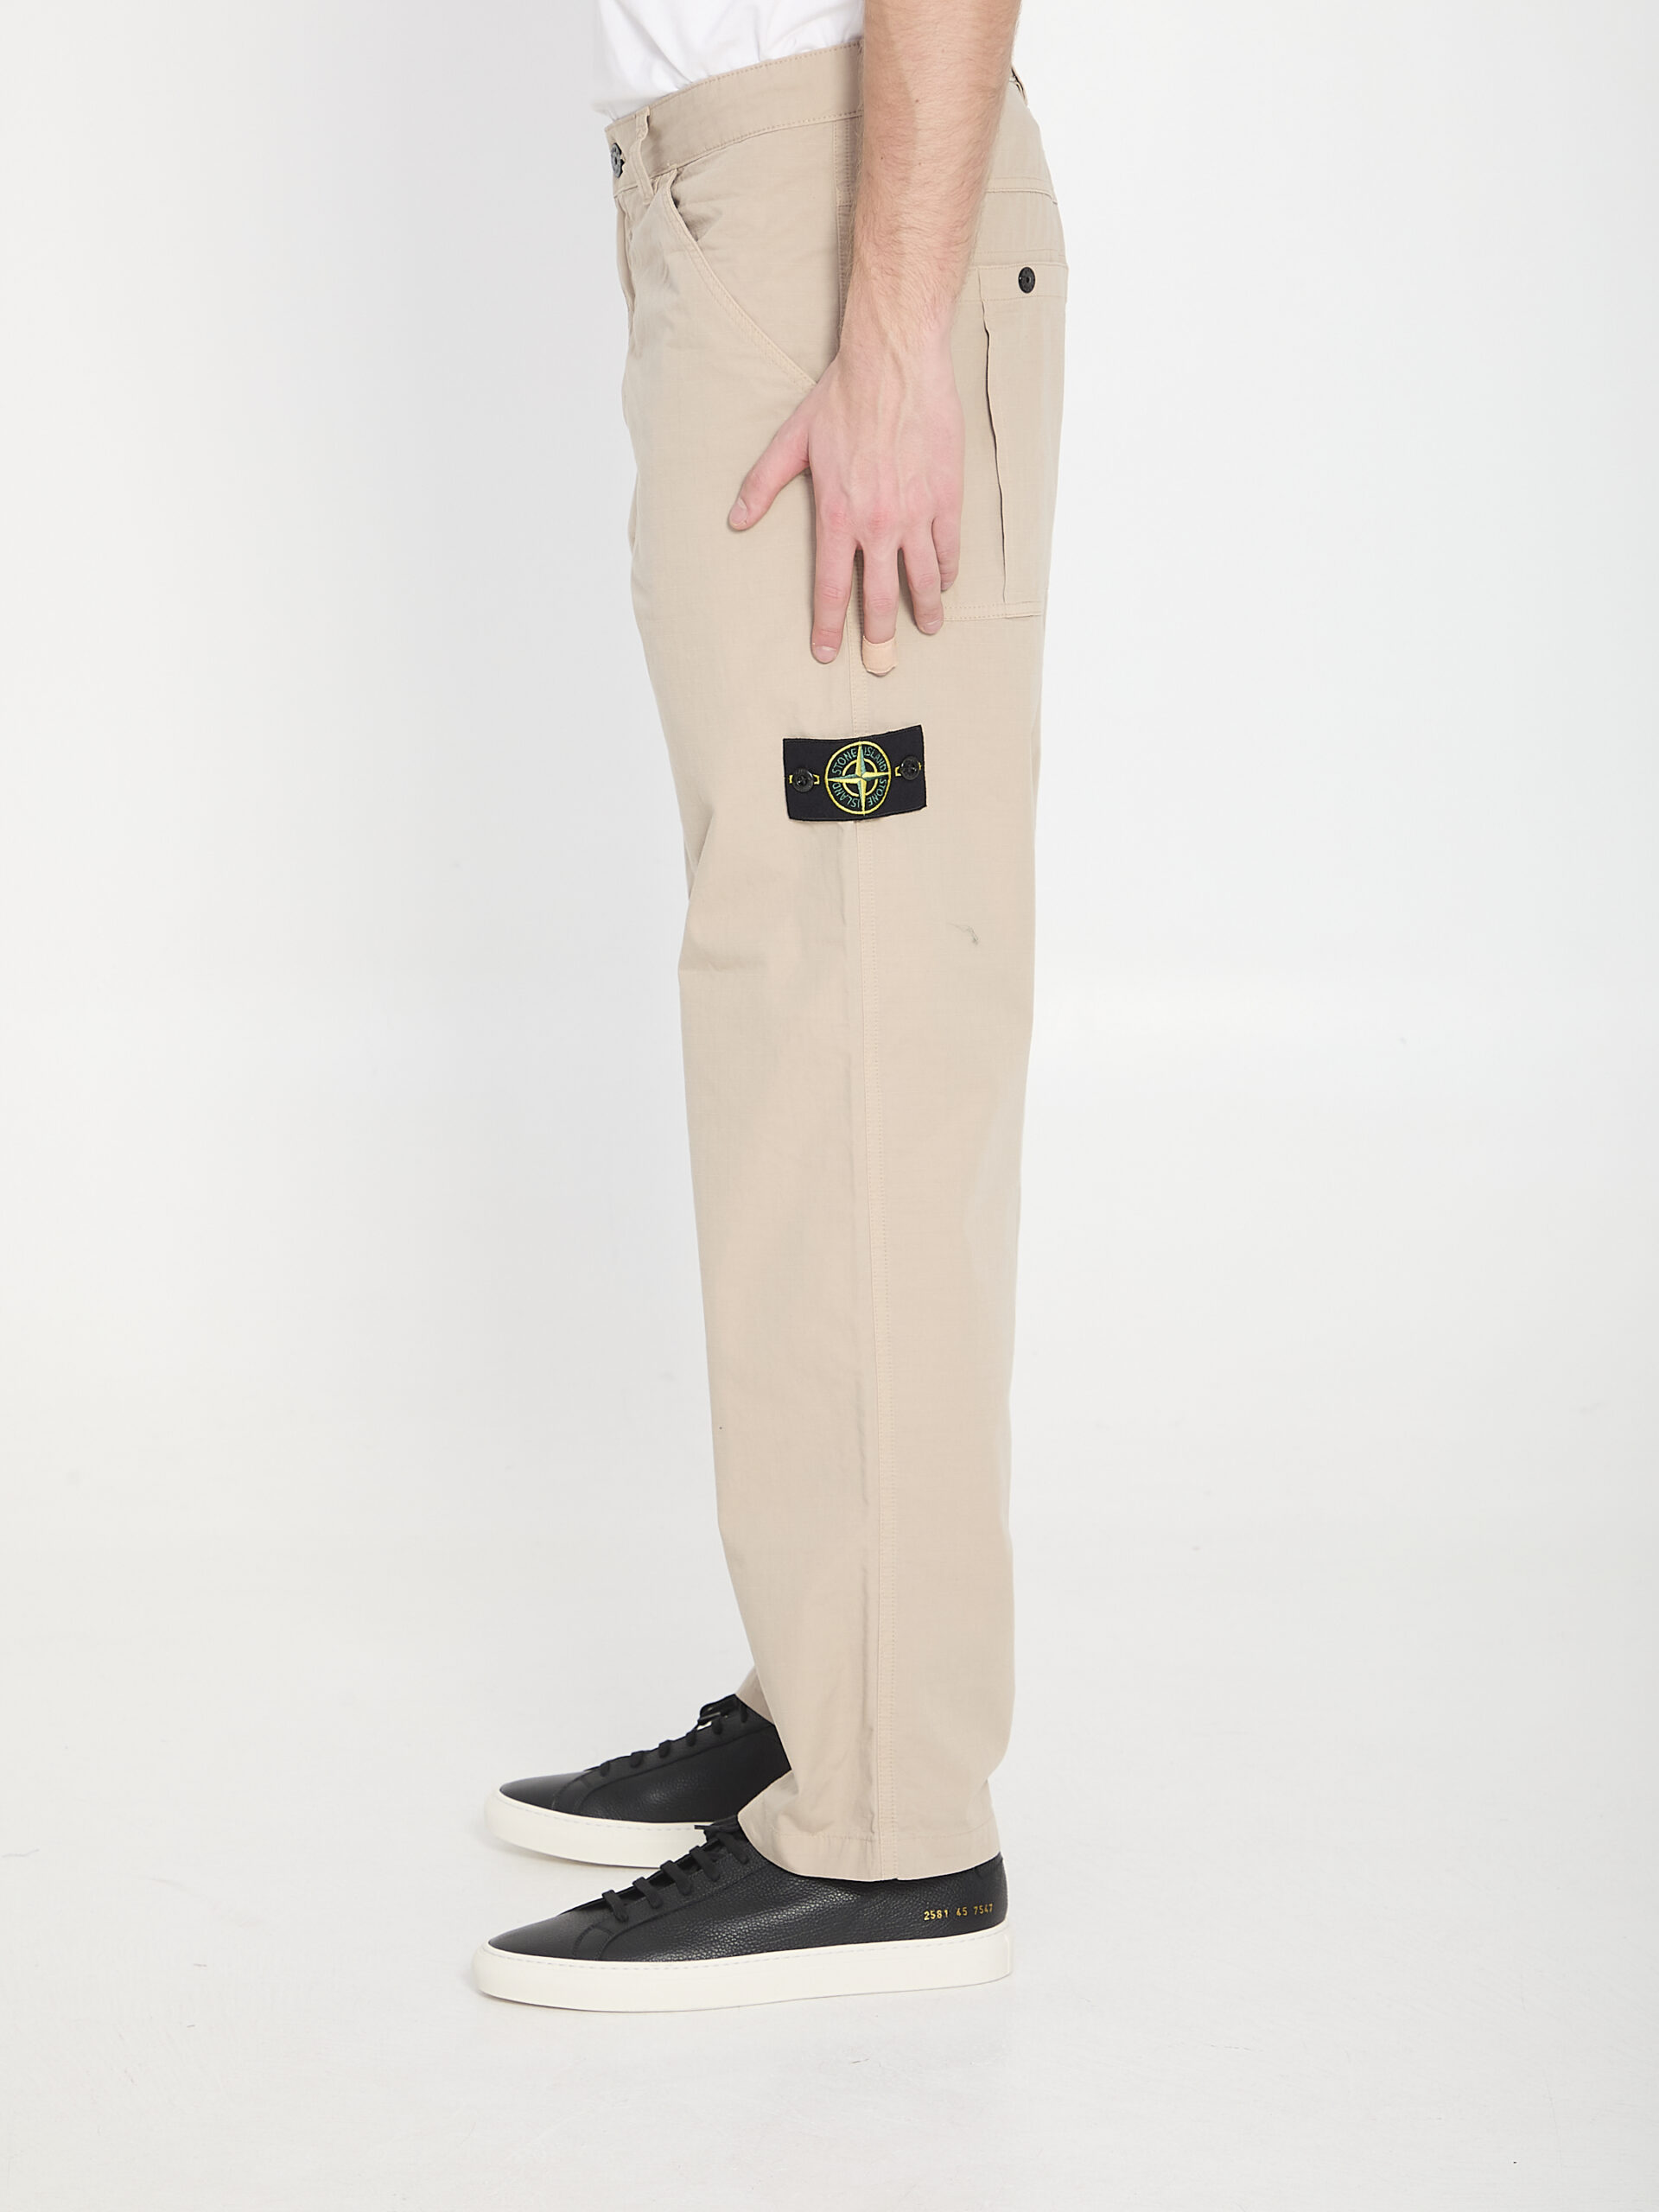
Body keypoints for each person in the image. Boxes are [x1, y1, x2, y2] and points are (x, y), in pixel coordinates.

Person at [474, 0, 1065, 2012]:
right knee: (798, 996)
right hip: (738, 207)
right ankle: (833, 1692)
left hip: (841, 211)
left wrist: (891, 335)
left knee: (857, 1019)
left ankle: (891, 1816)